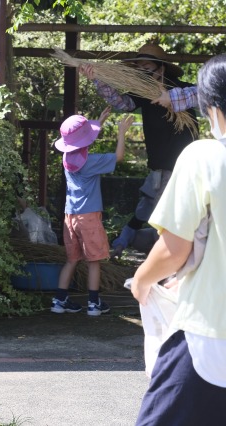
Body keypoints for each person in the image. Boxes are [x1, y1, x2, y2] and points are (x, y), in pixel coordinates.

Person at [130, 53, 226, 425]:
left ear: (211, 107)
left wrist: (142, 281)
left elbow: (174, 249)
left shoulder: (205, 156)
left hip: (210, 332)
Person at [79, 43, 197, 257]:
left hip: (182, 167)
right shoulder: (143, 93)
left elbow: (204, 96)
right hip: (158, 166)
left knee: (168, 216)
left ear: (161, 68)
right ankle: (128, 242)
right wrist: (97, 78)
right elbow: (122, 103)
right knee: (151, 207)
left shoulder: (182, 91)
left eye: (147, 67)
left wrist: (170, 99)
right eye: (139, 67)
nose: (142, 71)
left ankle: (169, 260)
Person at [51, 107, 134, 316]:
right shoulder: (91, 162)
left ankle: (59, 300)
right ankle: (94, 303)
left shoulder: (67, 159)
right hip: (88, 217)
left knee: (72, 260)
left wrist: (98, 123)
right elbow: (119, 156)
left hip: (70, 216)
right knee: (94, 261)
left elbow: (81, 144)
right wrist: (121, 133)